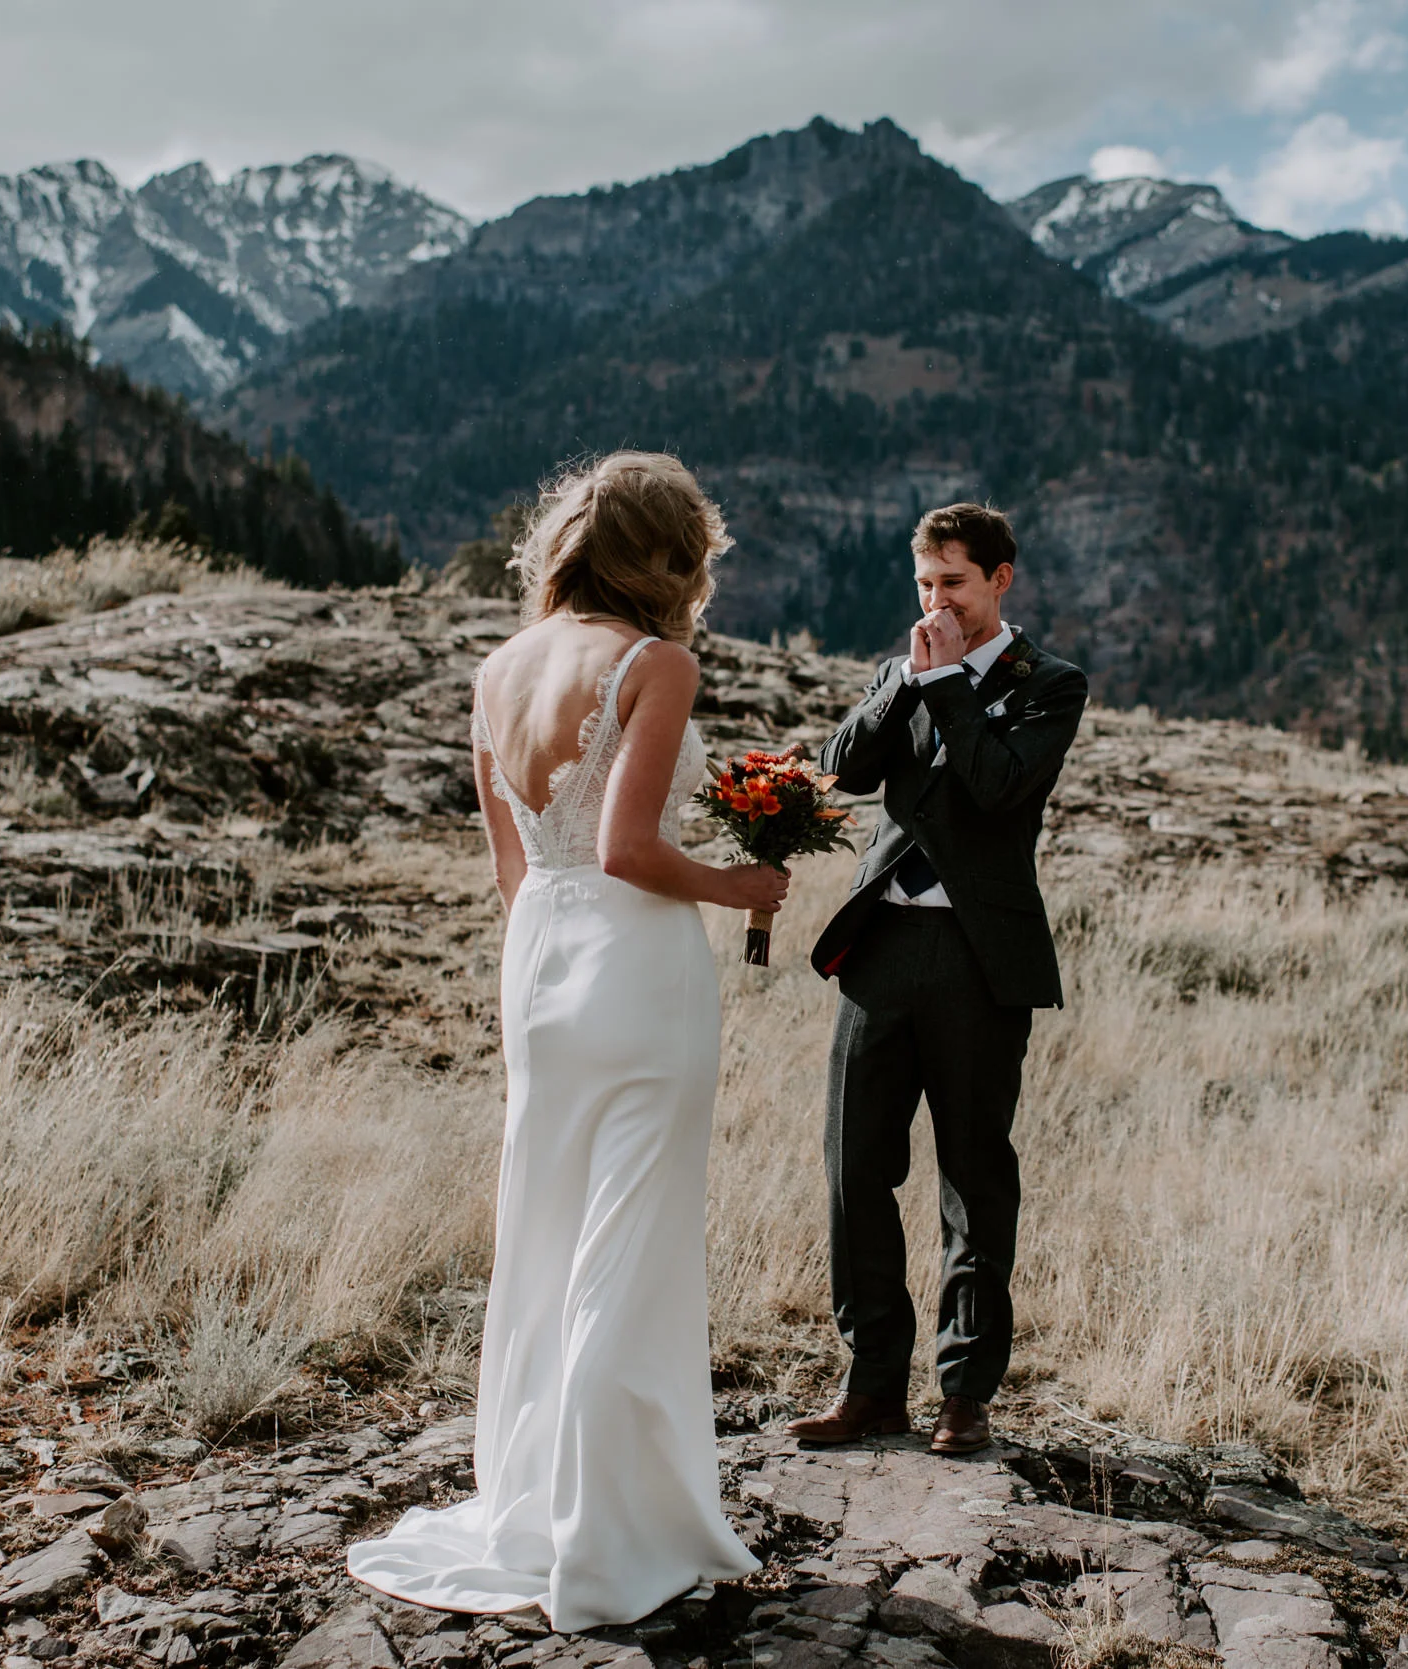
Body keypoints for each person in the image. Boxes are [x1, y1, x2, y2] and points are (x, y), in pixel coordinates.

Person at [346, 452, 784, 1629]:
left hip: (538, 953)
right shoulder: (655, 665)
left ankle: (530, 1503)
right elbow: (631, 850)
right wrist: (740, 886)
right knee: (628, 1239)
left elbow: (514, 867)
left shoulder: (499, 667)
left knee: (541, 1230)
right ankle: (607, 1535)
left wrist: (557, 942)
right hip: (635, 965)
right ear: (669, 558)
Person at [788, 503, 1088, 1457]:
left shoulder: (1051, 684)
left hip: (978, 956)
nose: (936, 601)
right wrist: (906, 686)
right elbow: (842, 769)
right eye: (924, 584)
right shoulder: (903, 670)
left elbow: (999, 787)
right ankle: (872, 1383)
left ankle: (965, 1393)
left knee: (973, 1174)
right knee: (853, 1165)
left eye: (953, 582)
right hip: (880, 946)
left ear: (1000, 579)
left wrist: (953, 683)